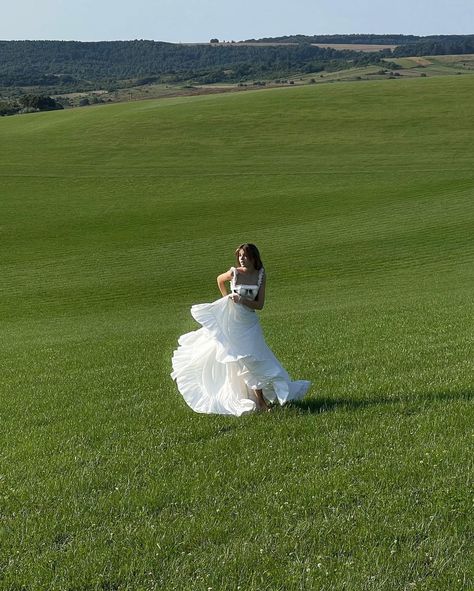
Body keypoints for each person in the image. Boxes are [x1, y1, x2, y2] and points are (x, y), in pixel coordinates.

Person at [171, 243, 311, 415]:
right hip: (234, 322)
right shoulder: (234, 273)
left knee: (257, 358)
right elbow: (219, 280)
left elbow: (260, 304)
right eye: (239, 256)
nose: (241, 259)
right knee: (245, 360)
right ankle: (260, 402)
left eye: (245, 256)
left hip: (250, 323)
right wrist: (227, 299)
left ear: (254, 258)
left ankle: (269, 395)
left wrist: (242, 300)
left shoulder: (260, 275)